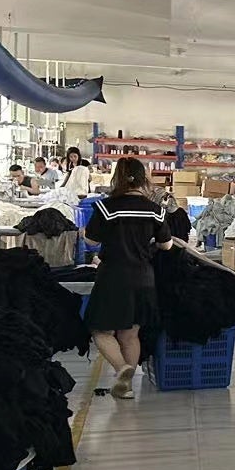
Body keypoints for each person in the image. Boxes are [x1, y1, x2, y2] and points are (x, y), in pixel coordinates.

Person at [81, 156, 173, 399]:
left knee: (101, 331)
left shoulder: (106, 208)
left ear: (117, 178)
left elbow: (91, 241)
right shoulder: (156, 211)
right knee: (130, 334)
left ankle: (122, 368)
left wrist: (84, 233)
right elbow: (166, 245)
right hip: (143, 277)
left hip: (113, 276)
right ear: (143, 178)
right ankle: (126, 387)